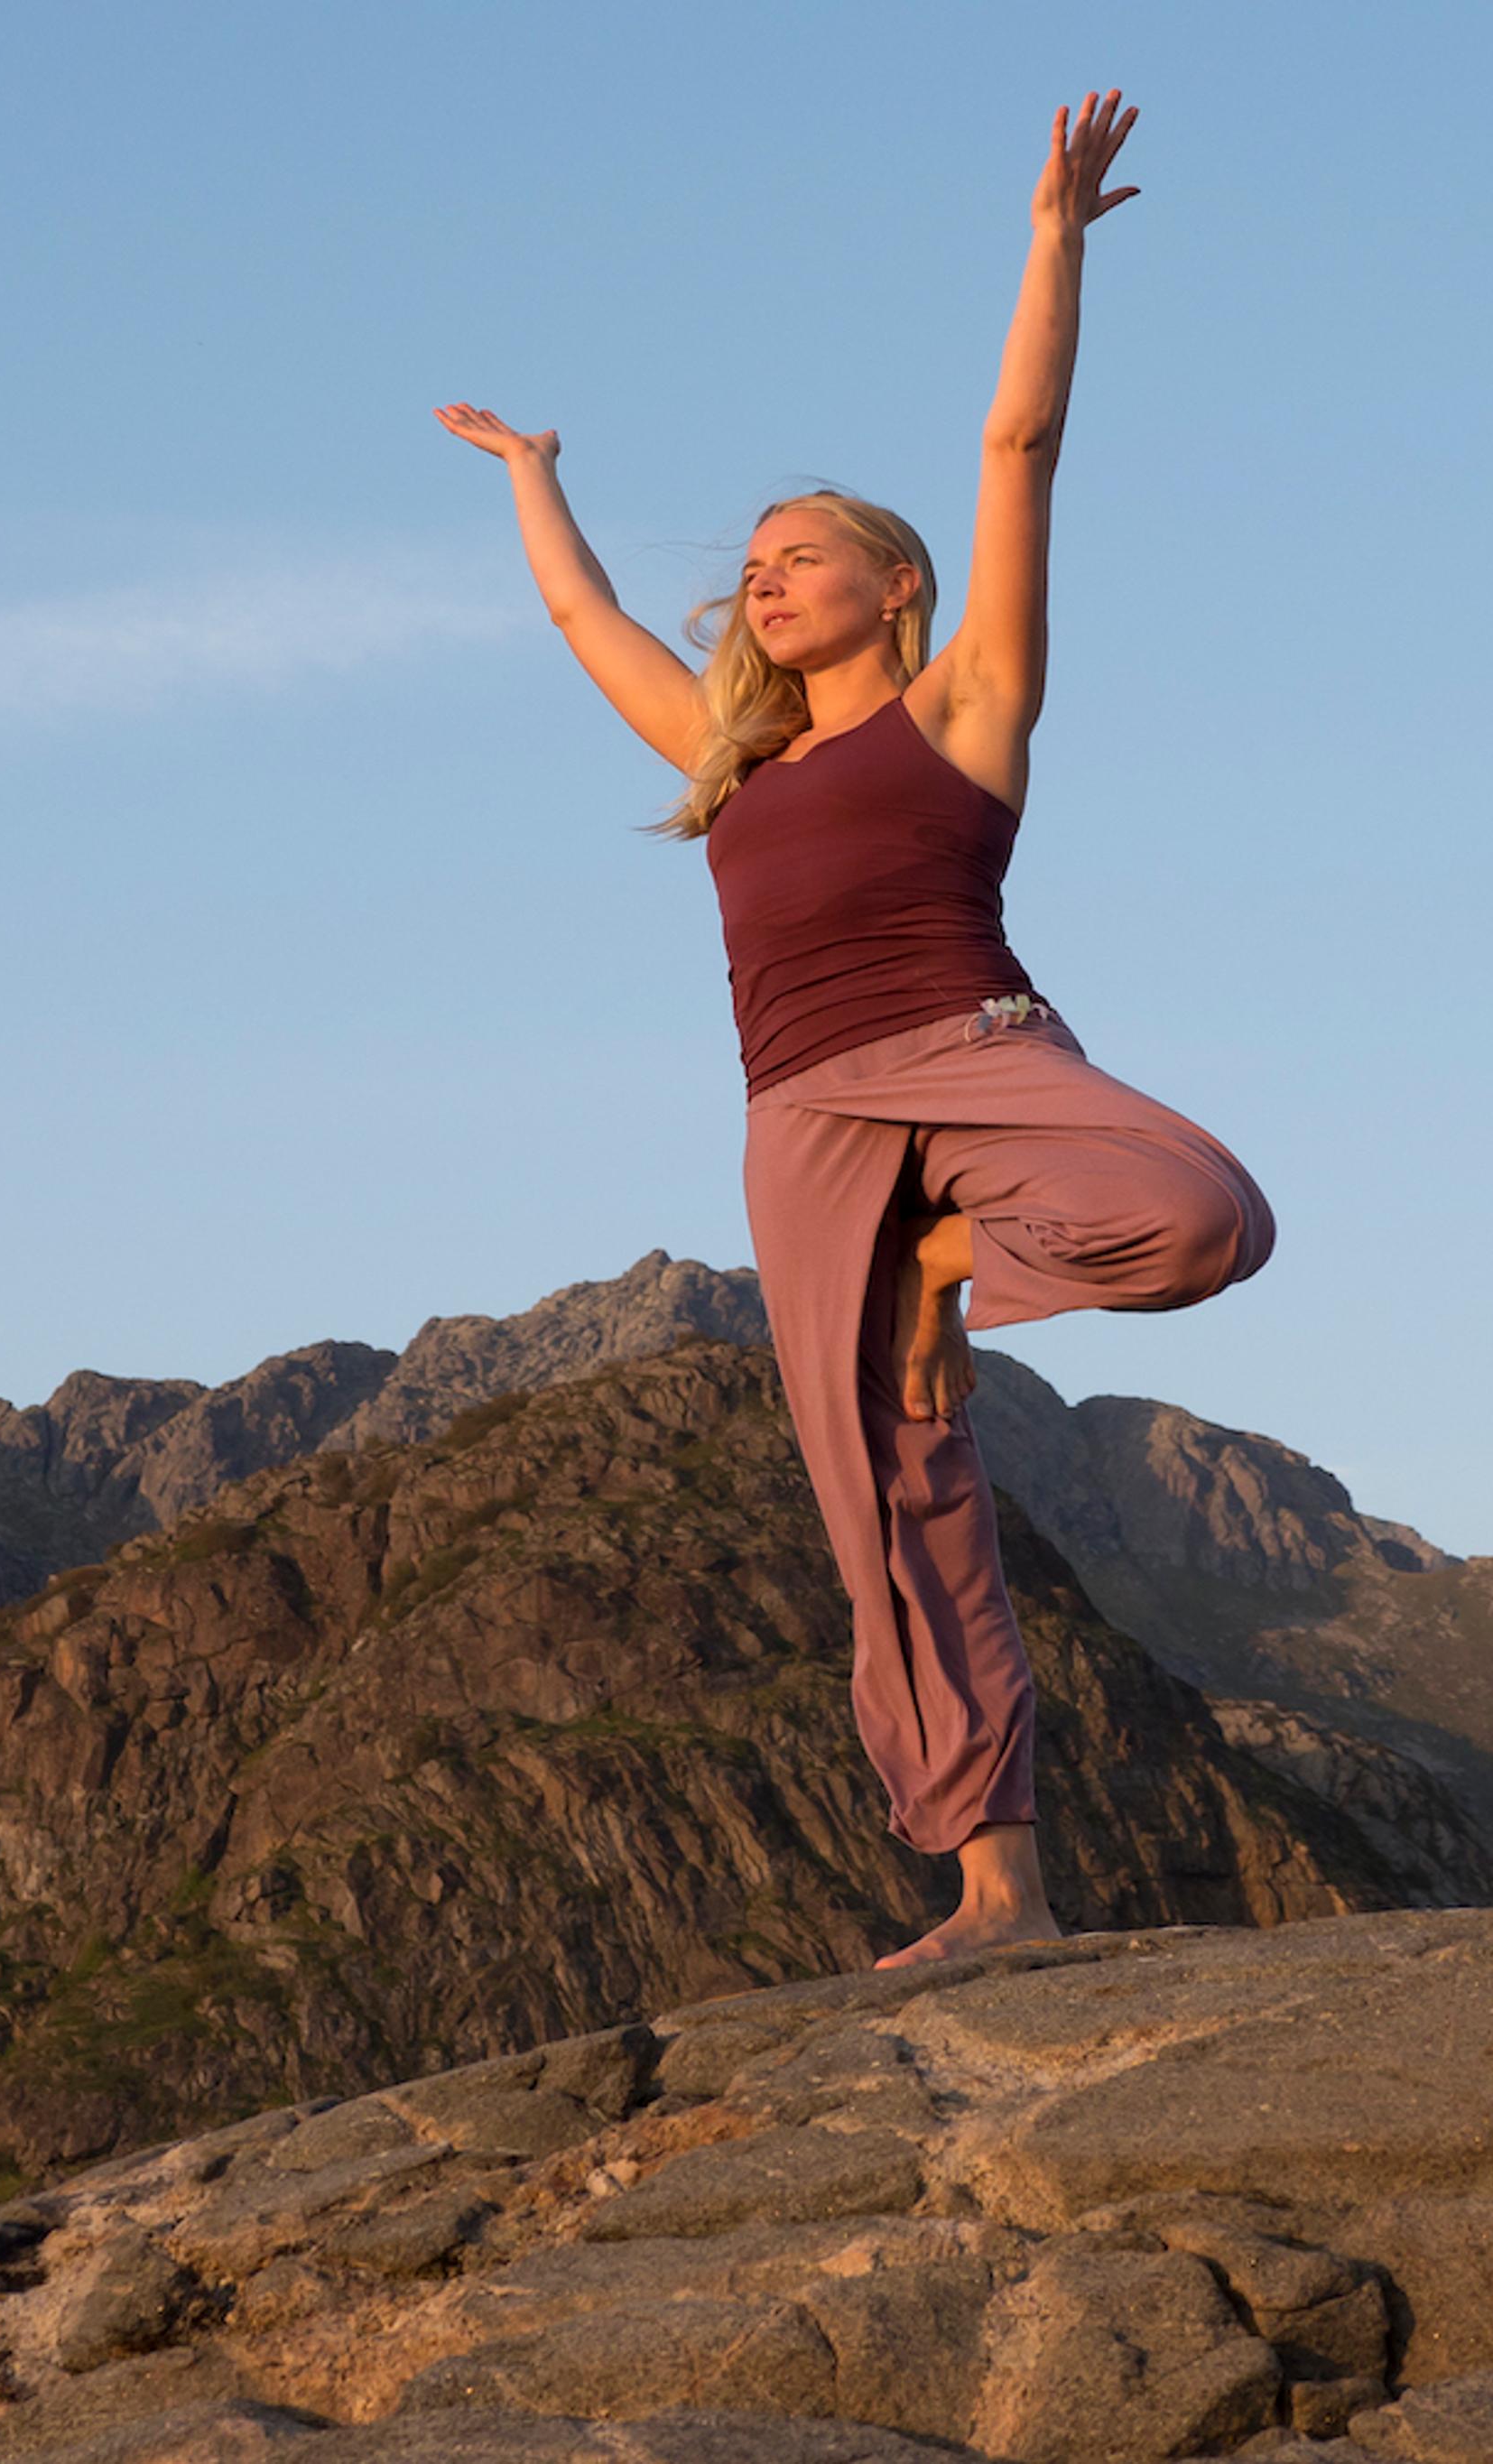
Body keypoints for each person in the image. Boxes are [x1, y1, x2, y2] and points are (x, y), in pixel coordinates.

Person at [434, 88, 1275, 1970]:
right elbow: (581, 621)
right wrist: (531, 469)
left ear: (891, 584)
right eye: (748, 562)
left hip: (974, 1051)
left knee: (1200, 1208)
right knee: (896, 1510)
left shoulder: (966, 705)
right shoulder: (729, 763)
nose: (760, 578)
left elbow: (1020, 441)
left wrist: (1053, 235)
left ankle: (945, 1265)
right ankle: (998, 1895)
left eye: (796, 553)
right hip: (800, 1125)